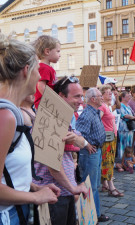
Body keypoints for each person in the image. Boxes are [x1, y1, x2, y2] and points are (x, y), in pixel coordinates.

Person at [0, 33, 60, 225]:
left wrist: (33, 187)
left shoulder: (12, 112)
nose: (40, 76)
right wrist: (35, 197)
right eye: (38, 70)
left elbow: (7, 171)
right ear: (26, 70)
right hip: (7, 215)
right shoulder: (5, 115)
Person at [34, 76, 89, 225]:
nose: (81, 101)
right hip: (54, 193)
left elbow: (80, 141)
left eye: (82, 96)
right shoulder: (51, 117)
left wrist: (77, 140)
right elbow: (52, 165)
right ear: (61, 96)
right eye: (76, 96)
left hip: (64, 192)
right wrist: (73, 188)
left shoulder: (63, 116)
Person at [75, 88, 110, 223]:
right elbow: (78, 133)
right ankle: (91, 214)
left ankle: (94, 212)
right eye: (100, 96)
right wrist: (87, 145)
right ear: (93, 99)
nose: (102, 98)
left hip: (96, 151)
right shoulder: (87, 114)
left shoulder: (94, 112)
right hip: (90, 153)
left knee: (94, 184)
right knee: (91, 185)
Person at [99, 85, 124, 197]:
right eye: (107, 92)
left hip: (112, 136)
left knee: (108, 161)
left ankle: (104, 184)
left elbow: (117, 106)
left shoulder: (108, 106)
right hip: (107, 138)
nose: (110, 94)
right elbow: (97, 121)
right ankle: (111, 186)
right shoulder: (102, 107)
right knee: (108, 162)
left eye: (110, 92)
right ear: (102, 95)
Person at [32, 35, 60, 108]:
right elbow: (40, 85)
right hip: (44, 104)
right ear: (47, 51)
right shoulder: (44, 68)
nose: (60, 55)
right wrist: (52, 99)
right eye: (58, 51)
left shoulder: (48, 68)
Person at [117, 91, 135, 159]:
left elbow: (132, 113)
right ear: (123, 97)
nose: (129, 97)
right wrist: (133, 117)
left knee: (129, 144)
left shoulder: (128, 106)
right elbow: (124, 115)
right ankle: (123, 159)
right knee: (123, 144)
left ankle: (128, 159)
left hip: (130, 127)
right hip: (123, 128)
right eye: (127, 96)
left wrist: (134, 116)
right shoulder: (120, 105)